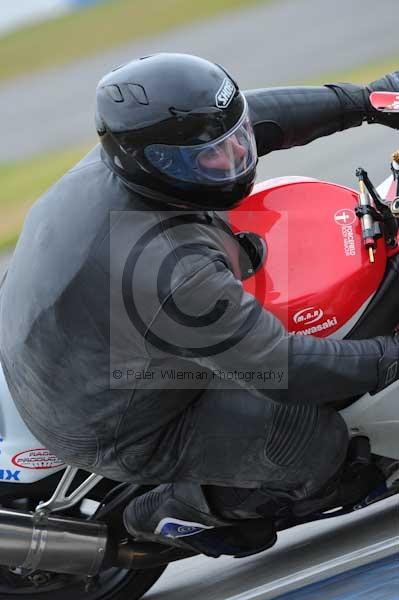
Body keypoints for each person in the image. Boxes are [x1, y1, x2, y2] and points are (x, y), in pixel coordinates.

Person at [1, 53, 399, 558]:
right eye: (210, 155)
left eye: (235, 142)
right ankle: (167, 513)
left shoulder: (129, 157)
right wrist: (390, 354)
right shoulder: (170, 266)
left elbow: (254, 119)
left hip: (61, 335)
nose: (234, 159)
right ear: (150, 161)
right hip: (111, 421)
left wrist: (369, 99)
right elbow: (288, 367)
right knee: (313, 443)